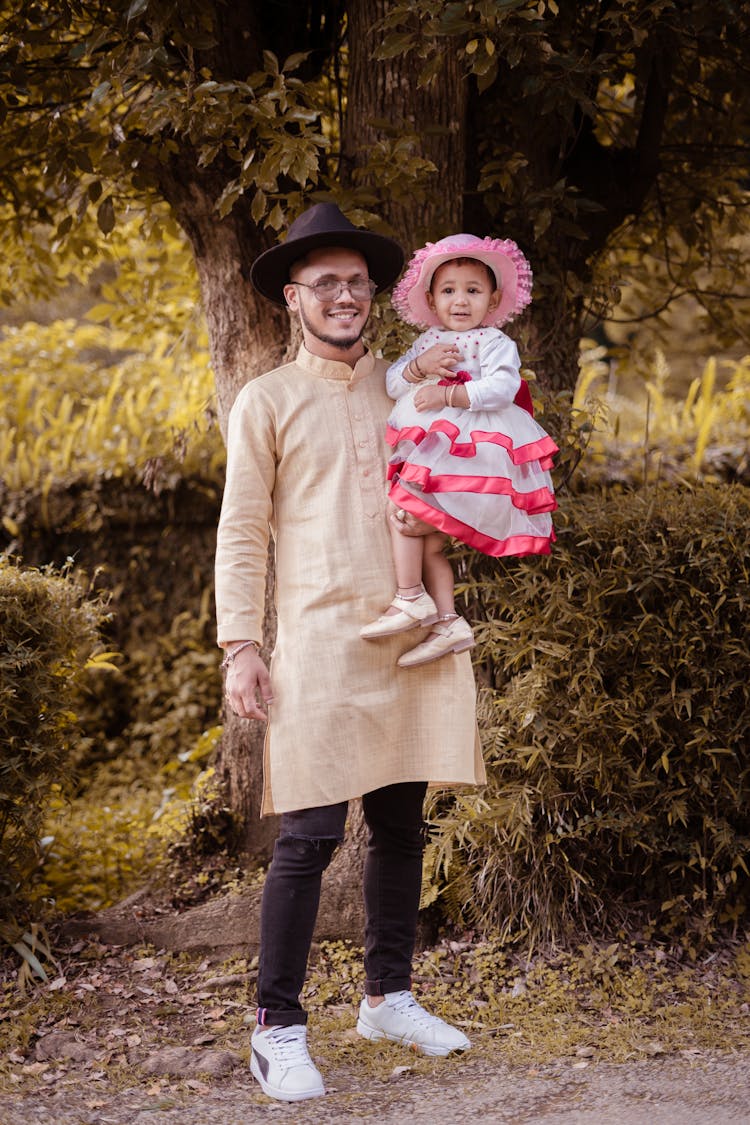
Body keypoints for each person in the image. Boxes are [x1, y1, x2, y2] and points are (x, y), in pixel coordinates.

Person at [215, 203, 485, 1103]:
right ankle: (278, 1025)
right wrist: (242, 644)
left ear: (374, 294)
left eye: (355, 281)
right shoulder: (268, 399)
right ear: (293, 299)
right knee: (308, 836)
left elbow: (466, 463)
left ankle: (387, 994)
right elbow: (242, 531)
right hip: (323, 640)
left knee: (404, 823)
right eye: (323, 282)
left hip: (410, 632)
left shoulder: (405, 385)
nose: (343, 295)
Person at [360, 233, 558, 668]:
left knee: (405, 513)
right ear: (431, 300)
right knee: (430, 545)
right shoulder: (427, 341)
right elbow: (393, 384)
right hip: (434, 452)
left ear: (492, 300)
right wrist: (419, 368)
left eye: (473, 290)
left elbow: (504, 388)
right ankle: (449, 622)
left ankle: (410, 597)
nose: (460, 301)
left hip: (473, 453)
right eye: (448, 291)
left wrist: (449, 397)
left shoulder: (493, 342)